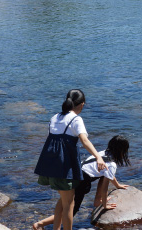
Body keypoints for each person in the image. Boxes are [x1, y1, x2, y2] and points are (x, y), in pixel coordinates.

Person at [34, 89, 106, 230]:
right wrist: (98, 157)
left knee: (63, 201)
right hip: (64, 166)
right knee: (69, 204)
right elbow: (84, 141)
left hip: (50, 164)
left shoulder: (55, 117)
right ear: (82, 105)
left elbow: (54, 141)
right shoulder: (76, 119)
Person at [33, 135, 131, 230]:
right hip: (82, 180)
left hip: (75, 173)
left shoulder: (101, 154)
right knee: (71, 211)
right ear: (122, 151)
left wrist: (117, 185)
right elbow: (105, 188)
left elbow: (108, 175)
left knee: (66, 203)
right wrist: (105, 205)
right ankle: (40, 224)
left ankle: (97, 200)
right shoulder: (111, 164)